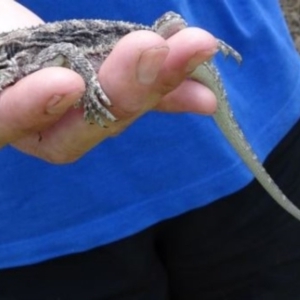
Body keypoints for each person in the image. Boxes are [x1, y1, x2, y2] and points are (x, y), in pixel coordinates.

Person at [0, 0, 300, 299]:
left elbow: (64, 51)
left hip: (260, 106)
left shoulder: (24, 57)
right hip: (37, 230)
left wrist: (90, 86)